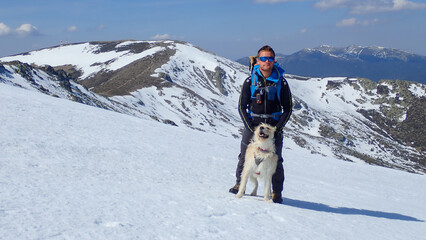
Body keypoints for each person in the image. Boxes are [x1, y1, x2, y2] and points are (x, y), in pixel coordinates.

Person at [229, 45, 293, 203]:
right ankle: (239, 184)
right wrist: (249, 126)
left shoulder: (281, 82)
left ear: (274, 61)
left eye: (270, 59)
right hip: (254, 124)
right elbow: (241, 106)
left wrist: (278, 128)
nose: (266, 62)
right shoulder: (250, 81)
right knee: (245, 155)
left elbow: (288, 107)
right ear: (258, 60)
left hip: (273, 127)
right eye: (263, 58)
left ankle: (276, 192)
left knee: (275, 158)